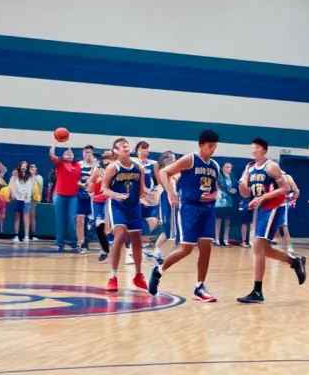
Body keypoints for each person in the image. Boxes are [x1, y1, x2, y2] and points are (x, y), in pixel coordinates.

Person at [150, 129, 222, 303]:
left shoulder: (214, 166)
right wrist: (169, 193)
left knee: (206, 247)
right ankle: (159, 270)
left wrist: (214, 195)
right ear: (201, 145)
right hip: (189, 208)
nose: (213, 150)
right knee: (186, 249)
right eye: (210, 146)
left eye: (215, 147)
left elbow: (216, 188)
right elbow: (163, 172)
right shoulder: (190, 159)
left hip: (207, 209)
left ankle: (199, 287)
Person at [236, 139, 307, 304]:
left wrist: (262, 197)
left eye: (257, 147)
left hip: (274, 206)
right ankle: (294, 261)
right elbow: (245, 194)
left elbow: (285, 189)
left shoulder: (271, 166)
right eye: (252, 146)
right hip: (262, 208)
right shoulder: (250, 168)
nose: (254, 149)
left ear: (264, 150)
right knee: (264, 250)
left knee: (258, 246)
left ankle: (257, 291)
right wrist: (243, 180)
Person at [100, 137, 149, 292]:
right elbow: (104, 189)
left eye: (126, 145)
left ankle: (139, 275)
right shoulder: (113, 168)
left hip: (134, 206)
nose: (124, 146)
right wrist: (115, 194)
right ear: (115, 151)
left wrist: (145, 198)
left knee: (137, 240)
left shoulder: (138, 167)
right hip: (117, 205)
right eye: (121, 145)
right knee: (120, 236)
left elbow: (142, 189)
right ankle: (113, 277)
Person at [49, 142, 81, 252]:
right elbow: (52, 155)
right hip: (59, 195)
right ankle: (60, 243)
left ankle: (73, 242)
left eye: (71, 152)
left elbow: (77, 180)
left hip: (73, 196)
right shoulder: (60, 163)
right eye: (66, 153)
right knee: (60, 220)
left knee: (71, 220)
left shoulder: (77, 166)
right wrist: (54, 143)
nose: (69, 154)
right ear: (63, 156)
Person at [75, 145, 97, 252]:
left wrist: (93, 165)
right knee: (80, 219)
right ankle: (81, 243)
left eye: (89, 152)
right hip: (80, 194)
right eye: (86, 152)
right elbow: (74, 180)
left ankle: (87, 241)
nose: (87, 154)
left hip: (93, 195)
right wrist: (80, 185)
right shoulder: (78, 165)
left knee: (92, 220)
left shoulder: (96, 165)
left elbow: (97, 179)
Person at [215, 161, 237, 246]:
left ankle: (226, 239)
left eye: (230, 167)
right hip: (220, 201)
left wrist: (234, 190)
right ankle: (217, 239)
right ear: (222, 168)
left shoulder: (232, 177)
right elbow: (219, 186)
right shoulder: (219, 176)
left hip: (229, 201)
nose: (229, 169)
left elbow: (235, 187)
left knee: (227, 220)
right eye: (227, 167)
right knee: (218, 220)